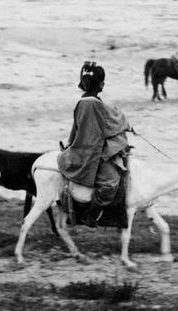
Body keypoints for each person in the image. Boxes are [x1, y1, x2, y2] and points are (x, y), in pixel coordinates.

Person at [57, 62, 132, 227]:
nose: (104, 84)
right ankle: (91, 215)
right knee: (111, 182)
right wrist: (124, 124)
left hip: (85, 148)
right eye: (102, 81)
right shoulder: (93, 104)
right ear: (99, 83)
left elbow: (108, 117)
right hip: (90, 153)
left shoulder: (86, 101)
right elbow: (107, 124)